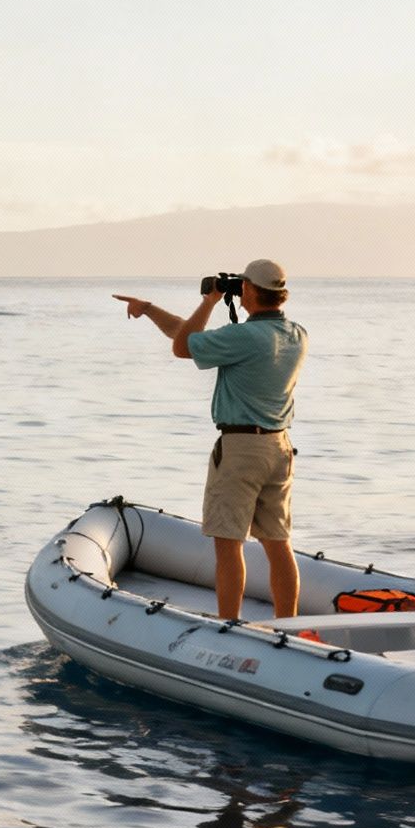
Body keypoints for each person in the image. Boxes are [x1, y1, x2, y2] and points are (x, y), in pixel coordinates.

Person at [113, 259, 307, 621]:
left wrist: (209, 301)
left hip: (241, 450)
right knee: (278, 544)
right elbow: (191, 337)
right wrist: (151, 310)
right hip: (279, 447)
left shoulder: (244, 337)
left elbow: (184, 347)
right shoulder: (296, 334)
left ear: (247, 290)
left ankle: (228, 624)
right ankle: (289, 625)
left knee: (228, 544)